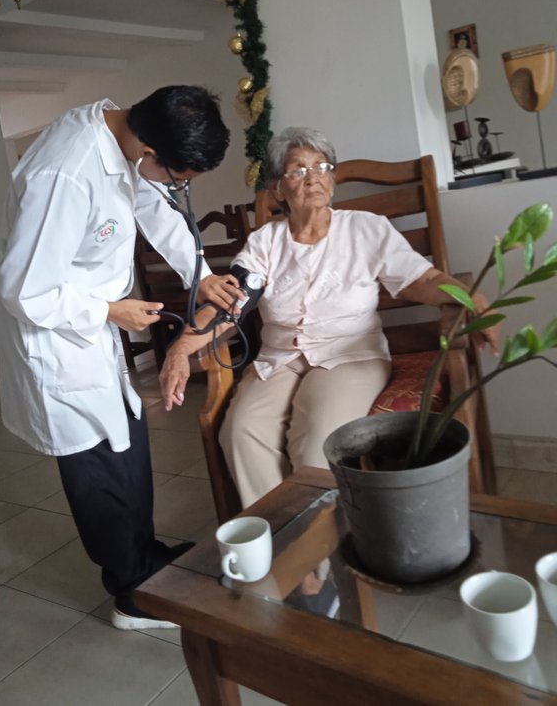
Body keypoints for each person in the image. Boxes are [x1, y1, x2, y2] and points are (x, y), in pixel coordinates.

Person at [0, 86, 243, 630]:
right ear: (149, 151)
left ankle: (145, 559)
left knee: (129, 444)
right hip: (58, 339)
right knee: (100, 469)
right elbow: (23, 289)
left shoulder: (125, 136)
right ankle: (131, 595)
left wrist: (200, 276)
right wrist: (111, 311)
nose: (180, 190)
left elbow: (151, 203)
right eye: (180, 179)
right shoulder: (65, 174)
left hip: (91, 332)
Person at [159, 126, 499, 512]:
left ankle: (318, 543)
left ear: (333, 179)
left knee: (316, 442)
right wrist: (182, 346)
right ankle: (283, 533)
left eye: (322, 167)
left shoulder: (366, 228)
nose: (313, 177)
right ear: (277, 188)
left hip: (350, 356)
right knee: (240, 432)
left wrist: (471, 298)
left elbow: (421, 280)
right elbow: (232, 301)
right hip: (280, 360)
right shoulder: (265, 242)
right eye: (298, 170)